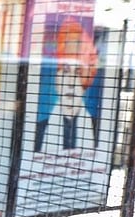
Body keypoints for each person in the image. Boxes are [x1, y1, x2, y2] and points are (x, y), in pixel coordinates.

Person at [34, 19, 100, 154]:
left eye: (78, 72)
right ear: (57, 80)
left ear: (86, 81)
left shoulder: (98, 130)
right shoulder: (38, 131)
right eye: (65, 70)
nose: (70, 82)